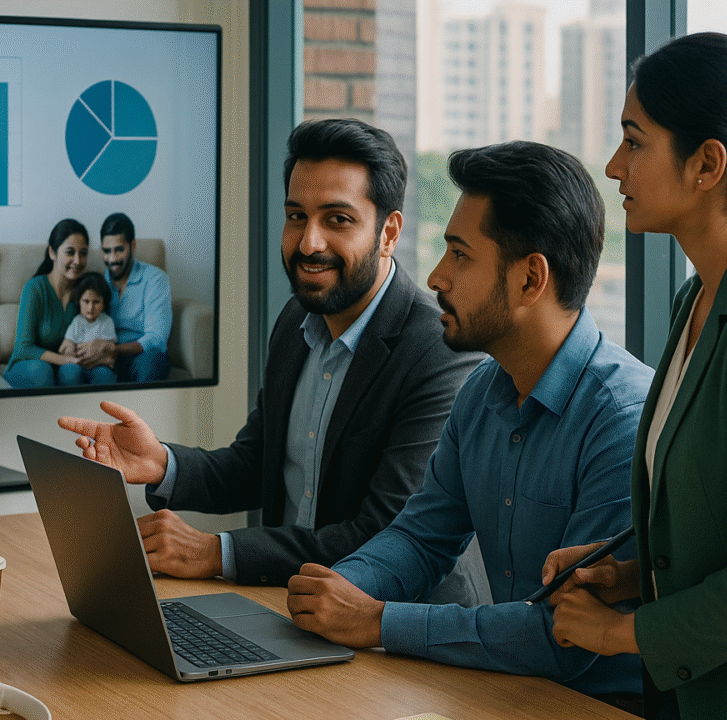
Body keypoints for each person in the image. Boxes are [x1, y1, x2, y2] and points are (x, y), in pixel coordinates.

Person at [284, 141, 654, 709]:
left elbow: (569, 641)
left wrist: (378, 622)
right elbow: (421, 537)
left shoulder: (624, 421)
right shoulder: (482, 388)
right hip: (499, 695)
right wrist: (337, 590)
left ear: (531, 280)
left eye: (459, 255)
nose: (435, 276)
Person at [58, 118, 487, 600]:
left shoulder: (440, 355)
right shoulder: (296, 321)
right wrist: (161, 462)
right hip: (289, 608)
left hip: (396, 631)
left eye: (337, 220)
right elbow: (259, 464)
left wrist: (214, 552)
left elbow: (385, 537)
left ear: (388, 233)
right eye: (297, 216)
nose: (309, 243)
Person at [543, 32, 727, 719]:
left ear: (707, 164)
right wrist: (624, 575)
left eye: (635, 141)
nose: (614, 166)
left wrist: (618, 634)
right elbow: (718, 526)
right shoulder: (698, 295)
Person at [73, 213, 172, 383]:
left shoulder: (155, 279)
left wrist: (114, 349)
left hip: (140, 356)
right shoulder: (97, 285)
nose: (112, 259)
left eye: (119, 250)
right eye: (107, 251)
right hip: (103, 359)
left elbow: (157, 338)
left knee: (154, 359)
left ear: (132, 246)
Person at [3, 218, 91, 388]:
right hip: (28, 366)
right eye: (70, 252)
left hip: (64, 367)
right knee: (42, 372)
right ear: (52, 252)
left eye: (83, 253)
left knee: (73, 372)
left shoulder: (86, 293)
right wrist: (64, 359)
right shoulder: (35, 288)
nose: (78, 261)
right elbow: (23, 348)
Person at [58, 272, 117, 385]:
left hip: (99, 365)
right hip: (77, 363)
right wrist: (68, 348)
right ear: (78, 301)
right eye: (86, 301)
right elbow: (64, 346)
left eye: (96, 302)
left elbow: (110, 351)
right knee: (69, 373)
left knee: (105, 376)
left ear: (104, 304)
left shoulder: (107, 321)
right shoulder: (77, 321)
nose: (91, 307)